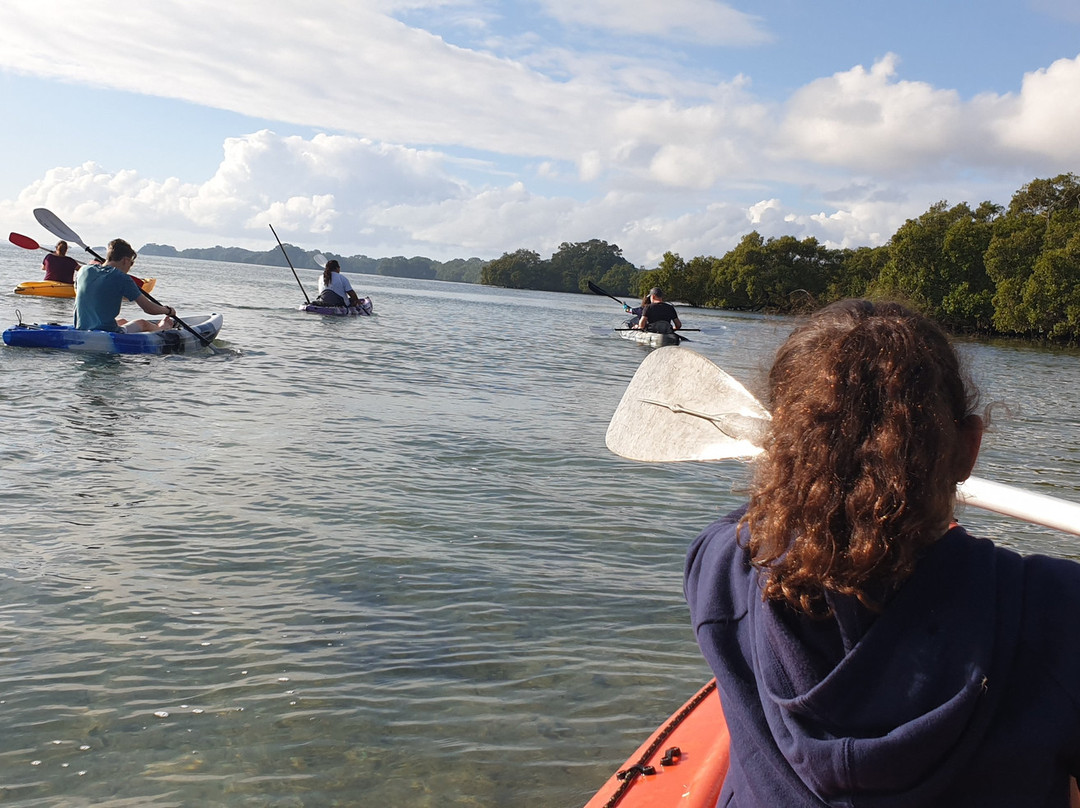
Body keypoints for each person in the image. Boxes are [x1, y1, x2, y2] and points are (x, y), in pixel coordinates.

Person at [684, 299, 1080, 807]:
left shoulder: (719, 564)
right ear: (970, 447)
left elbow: (762, 526)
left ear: (782, 448)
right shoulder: (1060, 608)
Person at [73, 239, 175, 333]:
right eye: (131, 263)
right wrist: (168, 310)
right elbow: (148, 308)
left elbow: (87, 294)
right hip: (109, 333)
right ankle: (163, 328)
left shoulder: (83, 270)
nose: (130, 267)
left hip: (81, 327)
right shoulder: (122, 278)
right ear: (125, 260)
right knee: (142, 323)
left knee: (122, 321)